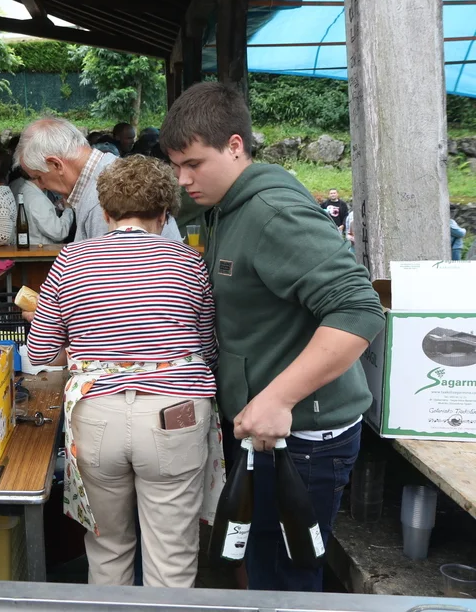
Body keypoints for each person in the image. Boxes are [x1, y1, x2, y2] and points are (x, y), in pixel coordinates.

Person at [160, 82, 386, 593]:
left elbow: (359, 307)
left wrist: (279, 397)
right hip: (259, 431)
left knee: (289, 579)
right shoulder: (221, 203)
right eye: (176, 166)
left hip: (303, 439)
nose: (183, 179)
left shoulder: (273, 214)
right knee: (260, 565)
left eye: (193, 164)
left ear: (235, 146)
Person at [27, 155, 216, 587]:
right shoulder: (189, 262)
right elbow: (207, 349)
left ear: (106, 212)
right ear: (164, 214)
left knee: (107, 549)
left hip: (97, 415)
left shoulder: (70, 260)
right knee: (171, 557)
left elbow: (40, 351)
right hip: (176, 412)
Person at [16, 118, 182, 243]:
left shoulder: (102, 196)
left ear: (56, 164)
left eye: (39, 177)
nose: (43, 186)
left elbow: (112, 274)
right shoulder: (107, 169)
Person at [9, 174, 73, 245]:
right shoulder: (38, 199)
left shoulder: (25, 189)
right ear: (42, 177)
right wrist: (68, 209)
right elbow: (59, 232)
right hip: (41, 249)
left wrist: (54, 206)